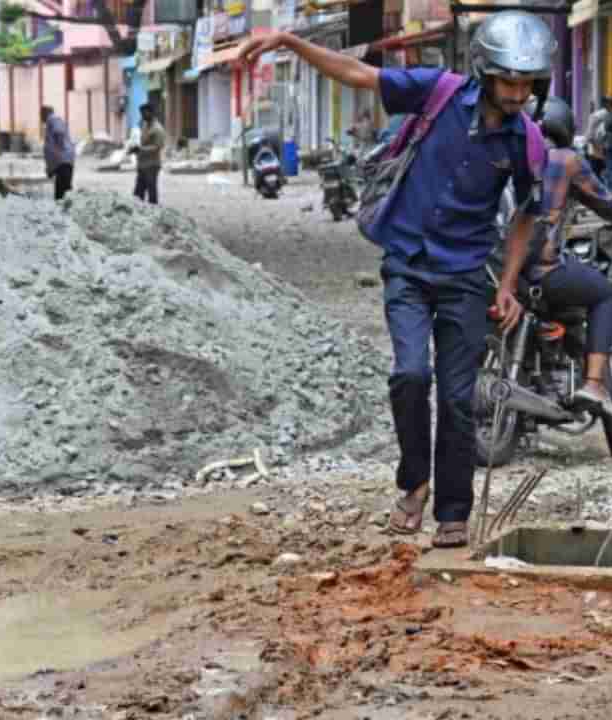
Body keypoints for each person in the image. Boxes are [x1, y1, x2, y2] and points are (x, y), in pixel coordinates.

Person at [237, 10, 553, 549]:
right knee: (410, 375)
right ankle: (414, 483)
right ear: (484, 72)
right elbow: (357, 74)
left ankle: (453, 513)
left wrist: (507, 282)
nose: (519, 93)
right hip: (406, 264)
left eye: (527, 83)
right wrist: (289, 39)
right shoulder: (440, 92)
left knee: (458, 398)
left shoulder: (526, 143)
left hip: (465, 277)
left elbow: (527, 211)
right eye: (510, 81)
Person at [508, 96, 612, 419]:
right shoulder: (567, 160)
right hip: (540, 272)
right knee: (603, 294)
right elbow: (605, 201)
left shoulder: (505, 154)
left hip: (495, 268)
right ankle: (594, 383)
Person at [132, 103, 166, 204]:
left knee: (152, 191)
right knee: (138, 192)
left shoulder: (157, 129)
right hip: (142, 164)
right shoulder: (145, 125)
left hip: (152, 164)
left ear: (151, 113)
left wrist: (141, 149)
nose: (142, 115)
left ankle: (153, 212)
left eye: (144, 113)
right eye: (141, 113)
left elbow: (158, 147)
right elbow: (142, 141)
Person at [42, 106, 74, 201]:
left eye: (41, 114)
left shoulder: (53, 119)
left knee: (63, 191)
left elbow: (59, 133)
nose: (40, 118)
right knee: (61, 190)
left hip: (63, 160)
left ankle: (66, 210)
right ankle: (63, 208)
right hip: (61, 160)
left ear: (45, 113)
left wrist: (58, 151)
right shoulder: (51, 121)